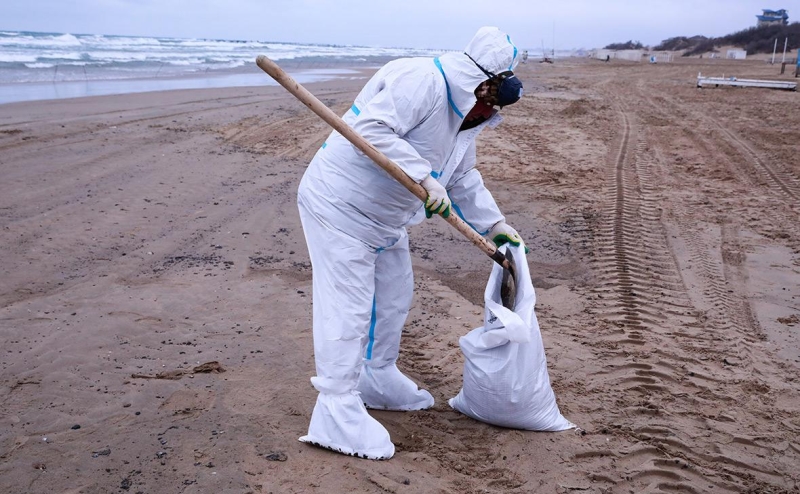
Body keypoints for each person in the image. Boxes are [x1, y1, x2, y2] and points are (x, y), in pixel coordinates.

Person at [296, 26, 527, 460]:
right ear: (479, 79)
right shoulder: (421, 80)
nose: (489, 109)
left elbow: (462, 175)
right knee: (347, 305)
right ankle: (336, 406)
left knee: (394, 295)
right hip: (340, 205)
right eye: (490, 96)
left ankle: (377, 375)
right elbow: (372, 129)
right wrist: (423, 175)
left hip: (386, 218)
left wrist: (495, 224)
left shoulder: (470, 114)